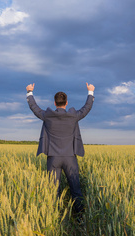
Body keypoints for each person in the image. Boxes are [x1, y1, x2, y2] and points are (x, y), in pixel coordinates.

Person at [26, 82, 95, 216]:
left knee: (53, 190)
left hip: (53, 158)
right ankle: (80, 217)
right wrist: (90, 92)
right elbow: (87, 108)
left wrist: (30, 92)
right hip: (70, 158)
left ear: (55, 103)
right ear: (66, 102)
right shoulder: (73, 116)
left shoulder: (47, 116)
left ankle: (54, 217)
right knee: (76, 190)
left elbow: (34, 108)